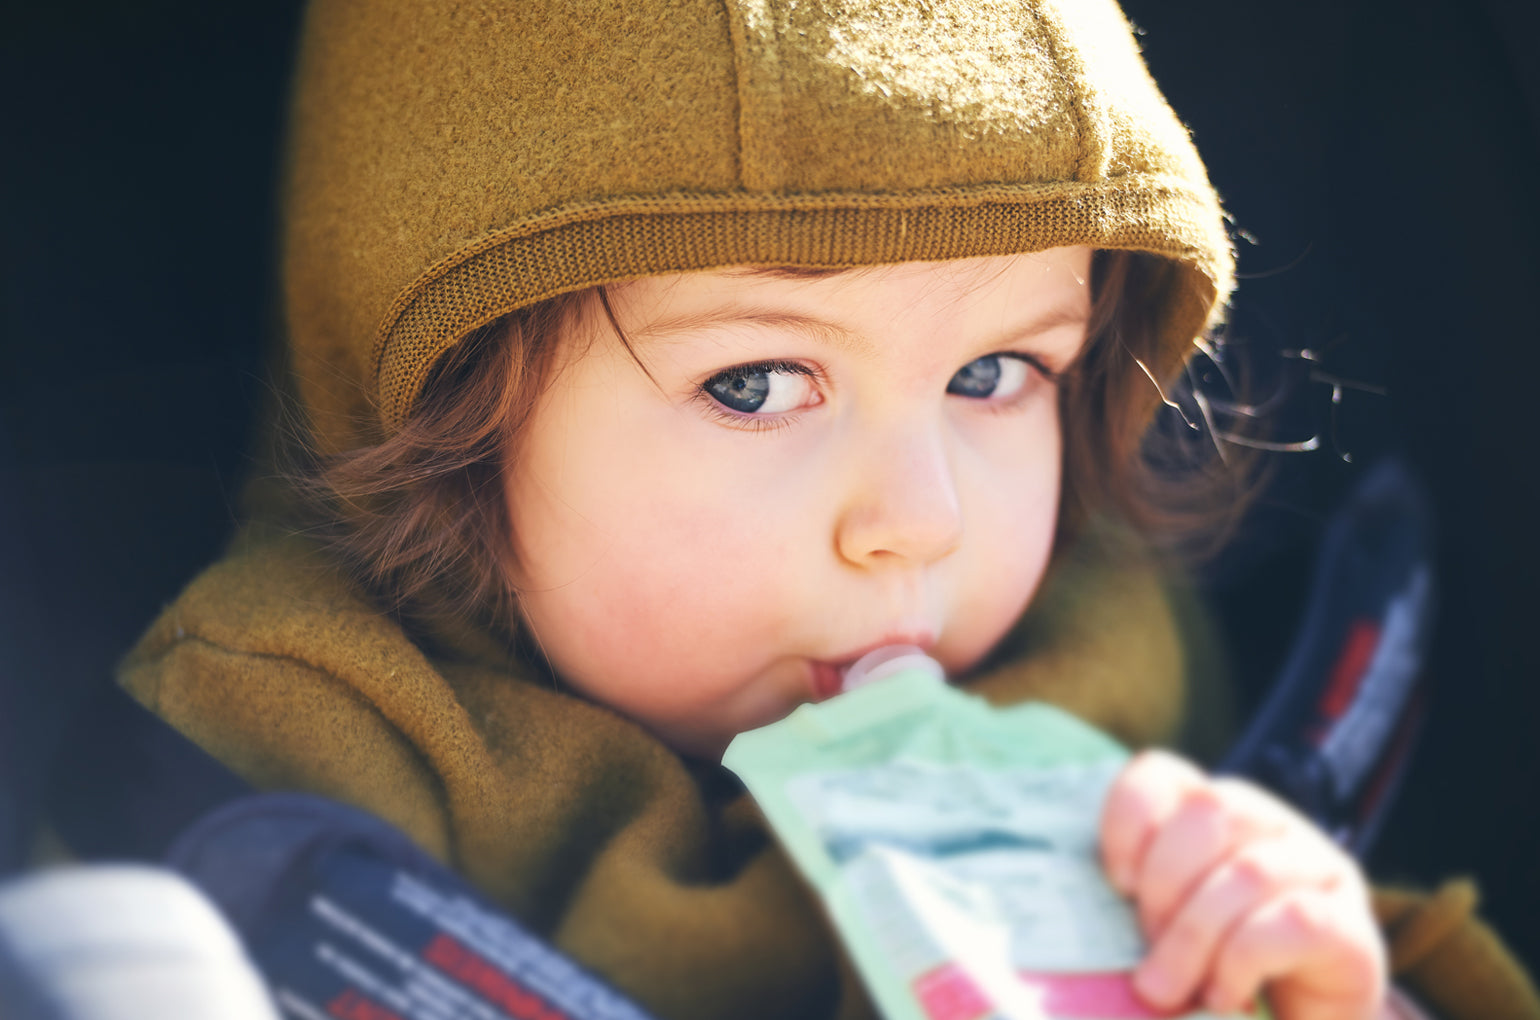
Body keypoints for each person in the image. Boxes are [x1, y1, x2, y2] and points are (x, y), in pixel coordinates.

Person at [117, 1, 1536, 1018]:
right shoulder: (289, 757)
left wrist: (1325, 983)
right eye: (754, 385)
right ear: (438, 420)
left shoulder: (1103, 673)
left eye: (994, 374)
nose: (917, 522)